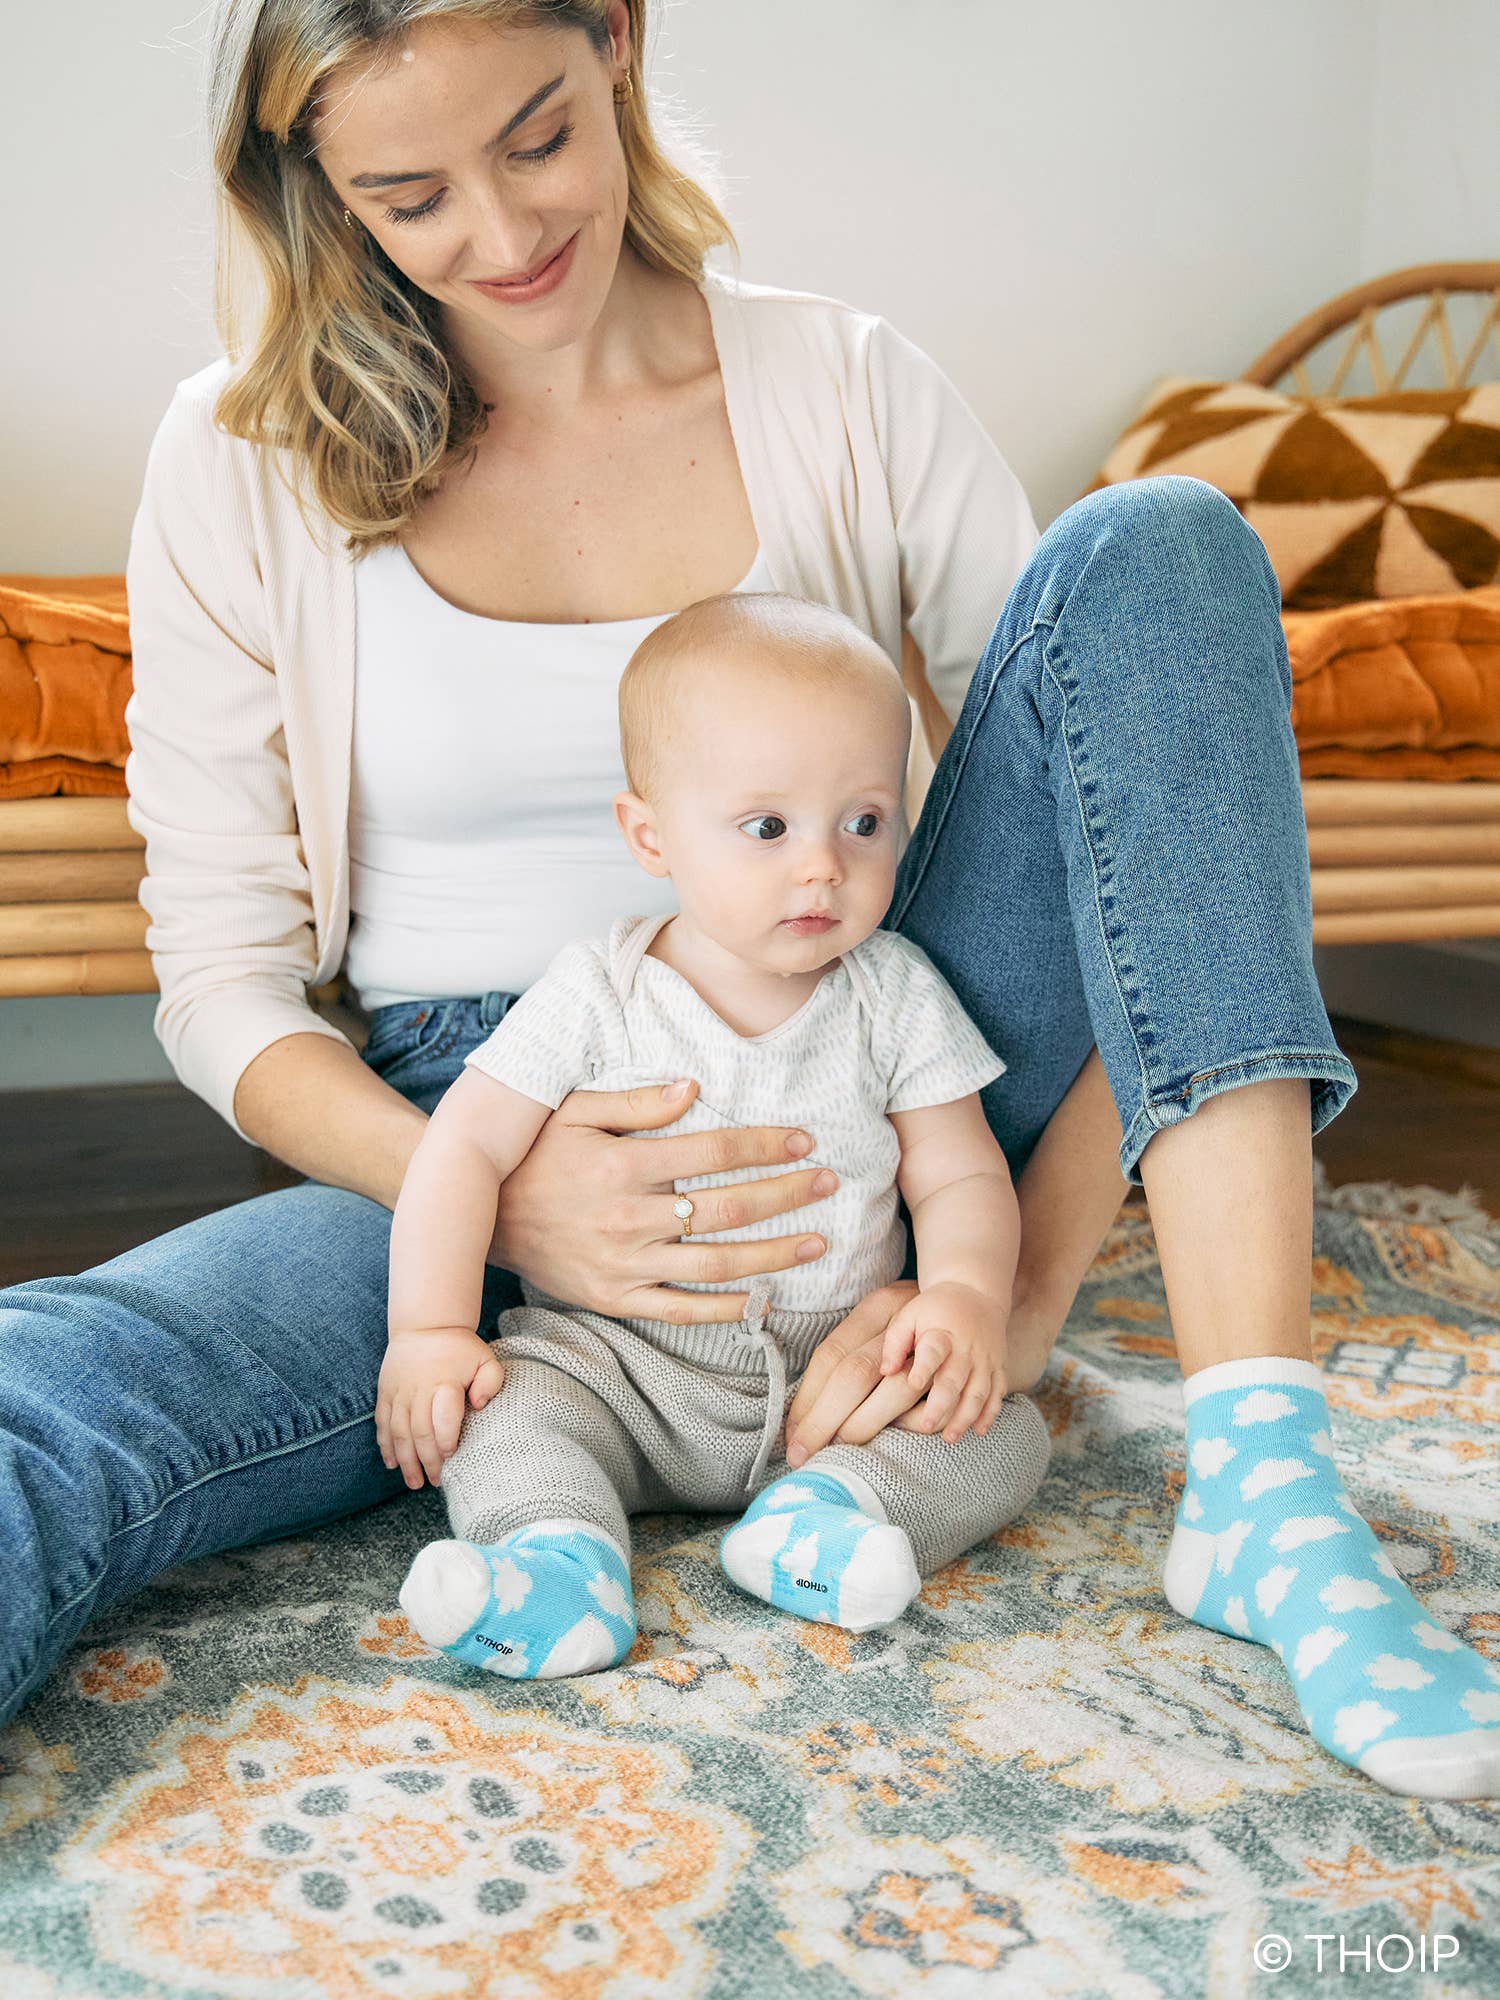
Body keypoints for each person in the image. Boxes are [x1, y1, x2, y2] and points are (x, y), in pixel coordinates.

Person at [0, 0, 1491, 1799]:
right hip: (464, 1128)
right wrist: (509, 1202)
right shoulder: (236, 457)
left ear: (617, 39)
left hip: (879, 1054)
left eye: (539, 136)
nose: (504, 232)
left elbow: (1132, 831)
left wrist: (1000, 1299)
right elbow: (220, 985)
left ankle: (1268, 1487)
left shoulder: (843, 385)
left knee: (1164, 543)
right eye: (411, 194)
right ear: (318, 190)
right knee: (61, 1394)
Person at [380, 591, 1051, 1675]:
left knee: (1006, 1431)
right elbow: (463, 1148)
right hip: (617, 1364)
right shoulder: (598, 988)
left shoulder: (895, 992)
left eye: (864, 822)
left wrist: (965, 1295)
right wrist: (428, 1329)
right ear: (651, 833)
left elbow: (960, 1167)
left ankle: (823, 1521)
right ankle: (559, 1562)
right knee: (502, 1408)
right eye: (769, 827)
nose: (823, 865)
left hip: (839, 1382)